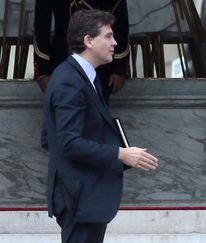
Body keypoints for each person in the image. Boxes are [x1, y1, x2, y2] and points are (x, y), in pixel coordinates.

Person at [43, 9, 159, 243]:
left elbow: (50, 138)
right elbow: (68, 142)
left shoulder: (83, 77)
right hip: (79, 198)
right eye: (108, 36)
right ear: (88, 41)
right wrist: (120, 153)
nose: (115, 43)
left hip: (86, 197)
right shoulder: (69, 81)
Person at [34, 0, 130, 103]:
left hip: (101, 66)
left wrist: (119, 68)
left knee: (96, 112)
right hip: (62, 60)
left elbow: (121, 26)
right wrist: (43, 70)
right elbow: (42, 25)